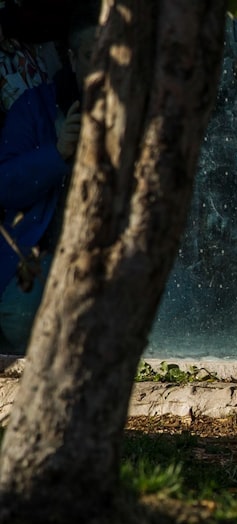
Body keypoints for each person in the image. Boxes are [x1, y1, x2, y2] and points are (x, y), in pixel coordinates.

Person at [0, 6, 98, 350]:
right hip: (45, 256)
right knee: (23, 317)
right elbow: (4, 186)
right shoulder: (33, 108)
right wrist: (57, 154)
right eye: (91, 55)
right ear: (72, 59)